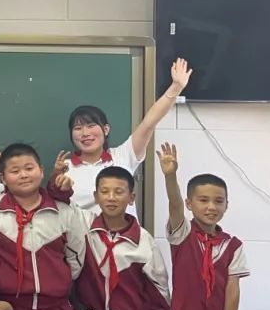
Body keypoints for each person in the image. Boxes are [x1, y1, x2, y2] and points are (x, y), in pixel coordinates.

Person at [57, 58, 192, 219]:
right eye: (78, 128)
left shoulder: (123, 155)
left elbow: (148, 123)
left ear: (106, 129)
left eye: (91, 125)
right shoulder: (65, 167)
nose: (85, 133)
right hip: (82, 235)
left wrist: (176, 88)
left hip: (124, 234)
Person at [0, 143, 86, 310]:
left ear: (41, 171)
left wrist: (57, 282)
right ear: (3, 178)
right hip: (6, 309)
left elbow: (76, 257)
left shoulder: (64, 212)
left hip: (56, 309)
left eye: (29, 168)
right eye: (15, 171)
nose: (23, 175)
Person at [160, 143, 248, 310]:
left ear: (226, 205)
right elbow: (174, 203)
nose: (211, 207)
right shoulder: (183, 233)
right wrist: (170, 175)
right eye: (203, 200)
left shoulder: (233, 246)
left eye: (219, 201)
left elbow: (232, 291)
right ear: (189, 204)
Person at [75, 167, 169, 310]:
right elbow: (64, 208)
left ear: (131, 197)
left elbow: (160, 292)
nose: (111, 198)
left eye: (118, 192)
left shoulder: (144, 240)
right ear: (96, 197)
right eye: (105, 192)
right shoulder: (85, 226)